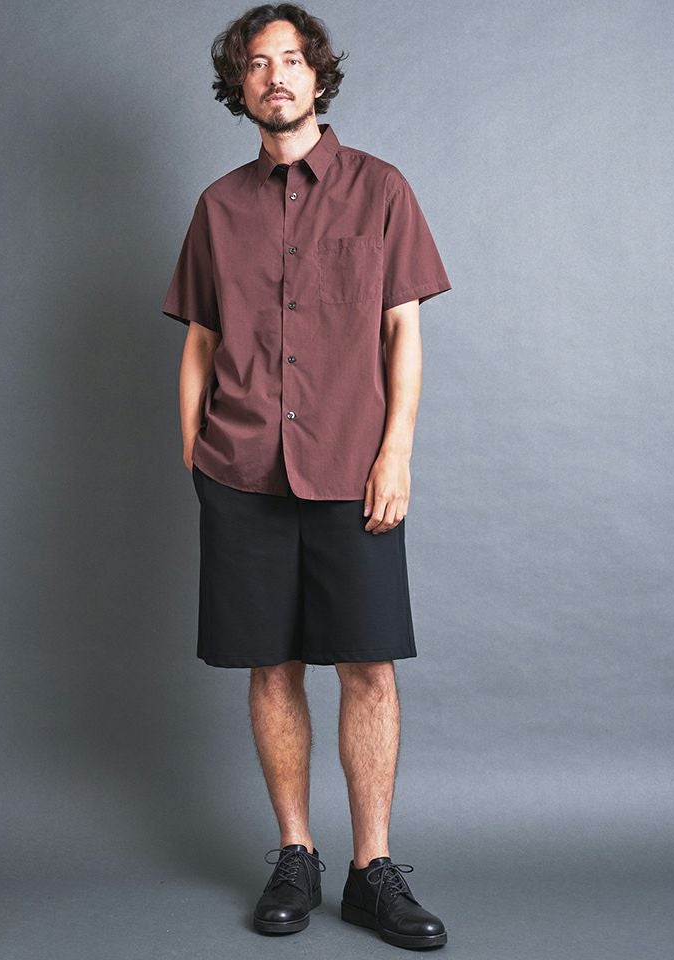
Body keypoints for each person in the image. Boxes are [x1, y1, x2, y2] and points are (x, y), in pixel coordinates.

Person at [162, 3, 451, 950]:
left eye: (291, 60)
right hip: (241, 471)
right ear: (239, 85)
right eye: (257, 63)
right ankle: (296, 853)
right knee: (270, 665)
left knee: (367, 666)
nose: (276, 75)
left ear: (318, 77)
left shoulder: (381, 190)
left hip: (351, 470)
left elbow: (404, 332)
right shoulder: (218, 208)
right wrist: (195, 455)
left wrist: (396, 452)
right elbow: (200, 341)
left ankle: (373, 870)